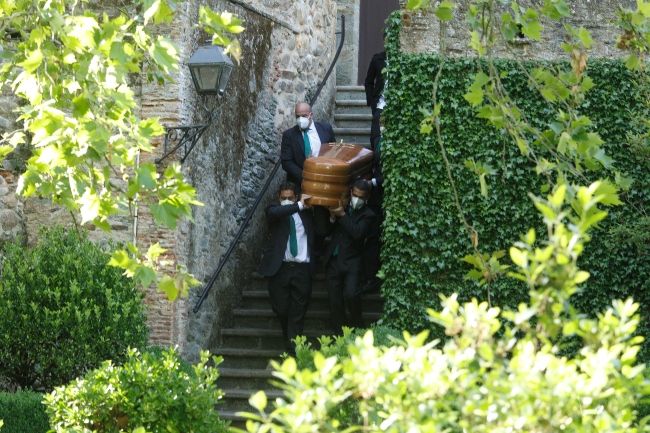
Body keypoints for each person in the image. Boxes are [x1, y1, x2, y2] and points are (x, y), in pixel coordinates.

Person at [257, 182, 315, 354]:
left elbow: (322, 229)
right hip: (280, 269)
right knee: (281, 309)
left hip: (302, 269)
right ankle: (289, 339)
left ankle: (293, 350)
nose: (287, 201)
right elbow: (274, 212)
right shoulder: (274, 211)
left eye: (290, 198)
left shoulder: (307, 214)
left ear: (296, 196)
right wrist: (298, 205)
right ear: (278, 197)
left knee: (298, 312)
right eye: (284, 198)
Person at [320, 179, 376, 333]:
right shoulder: (342, 205)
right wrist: (332, 218)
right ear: (351, 192)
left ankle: (357, 326)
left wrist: (342, 215)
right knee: (334, 301)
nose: (357, 199)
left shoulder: (368, 214)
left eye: (361, 197)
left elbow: (357, 233)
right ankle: (340, 334)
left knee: (351, 295)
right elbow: (325, 231)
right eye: (355, 195)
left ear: (366, 197)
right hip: (333, 260)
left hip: (352, 261)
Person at [280, 101, 336, 188]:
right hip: (301, 183)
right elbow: (286, 162)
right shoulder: (289, 135)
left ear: (311, 115)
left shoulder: (325, 128)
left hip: (325, 179)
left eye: (304, 116)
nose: (300, 119)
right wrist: (305, 176)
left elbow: (333, 150)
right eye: (297, 116)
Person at [364, 50, 386, 150]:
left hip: (396, 101)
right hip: (380, 102)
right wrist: (371, 101)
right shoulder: (377, 58)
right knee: (376, 132)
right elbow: (369, 81)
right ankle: (375, 154)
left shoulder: (400, 58)